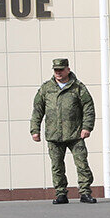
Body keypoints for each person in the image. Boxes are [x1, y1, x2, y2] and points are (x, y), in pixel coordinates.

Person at [30, 57, 97, 204]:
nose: (58, 73)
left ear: (68, 69)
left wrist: (87, 127)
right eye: (56, 70)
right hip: (54, 135)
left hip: (75, 133)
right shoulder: (46, 88)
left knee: (82, 164)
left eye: (61, 70)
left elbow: (88, 108)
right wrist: (35, 130)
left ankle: (85, 192)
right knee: (57, 166)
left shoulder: (78, 87)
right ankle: (61, 193)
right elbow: (37, 110)